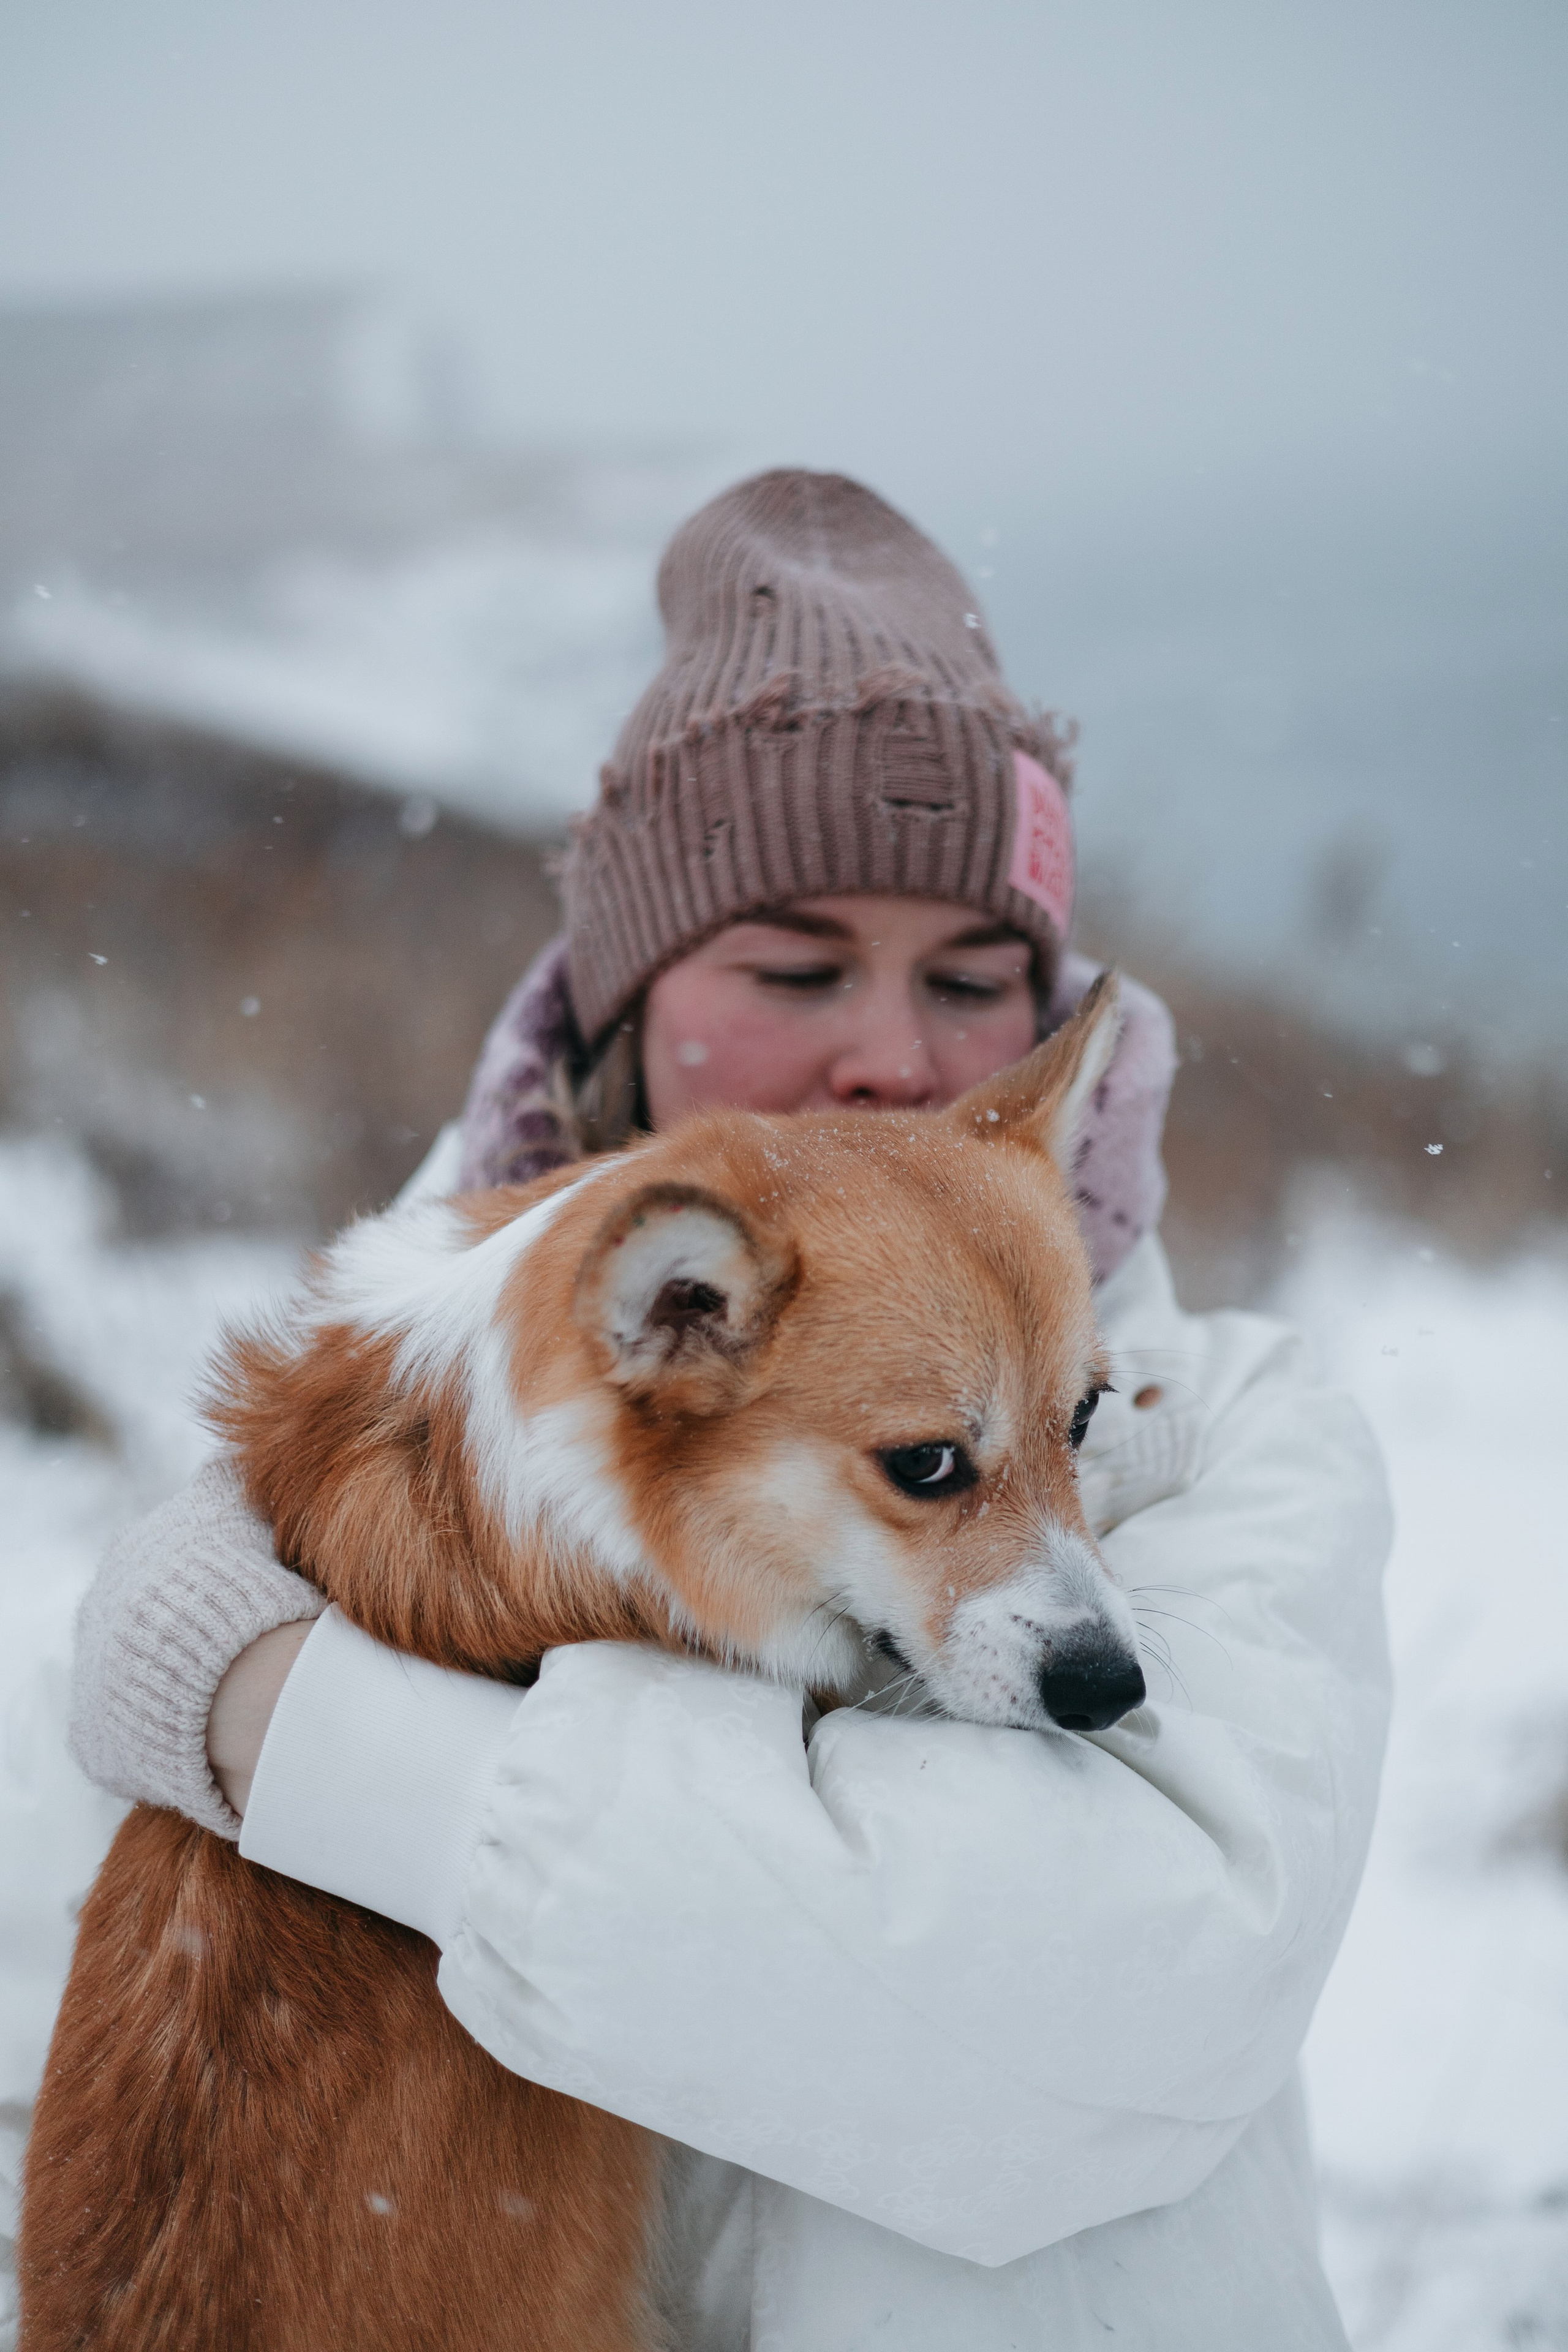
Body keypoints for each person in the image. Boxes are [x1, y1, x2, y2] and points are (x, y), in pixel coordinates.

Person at [69, 470, 1392, 2351]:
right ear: (620, 994)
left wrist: (284, 1716)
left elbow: (1081, 2016)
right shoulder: (392, 1434)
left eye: (974, 977)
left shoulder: (1251, 1428)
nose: (893, 1054)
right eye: (794, 966)